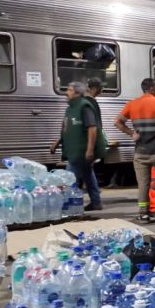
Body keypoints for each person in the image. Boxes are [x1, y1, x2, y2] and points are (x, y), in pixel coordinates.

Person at [114, 78, 155, 223]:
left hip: (141, 152)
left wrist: (132, 134)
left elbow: (117, 122)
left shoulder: (132, 104)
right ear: (151, 89)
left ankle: (144, 214)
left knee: (143, 184)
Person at [50, 82, 102, 211]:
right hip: (74, 149)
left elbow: (92, 128)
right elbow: (67, 129)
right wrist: (57, 143)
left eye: (69, 90)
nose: (66, 92)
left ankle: (66, 206)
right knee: (88, 174)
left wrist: (90, 150)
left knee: (69, 177)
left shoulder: (84, 106)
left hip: (81, 150)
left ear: (77, 93)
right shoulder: (70, 108)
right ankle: (96, 202)